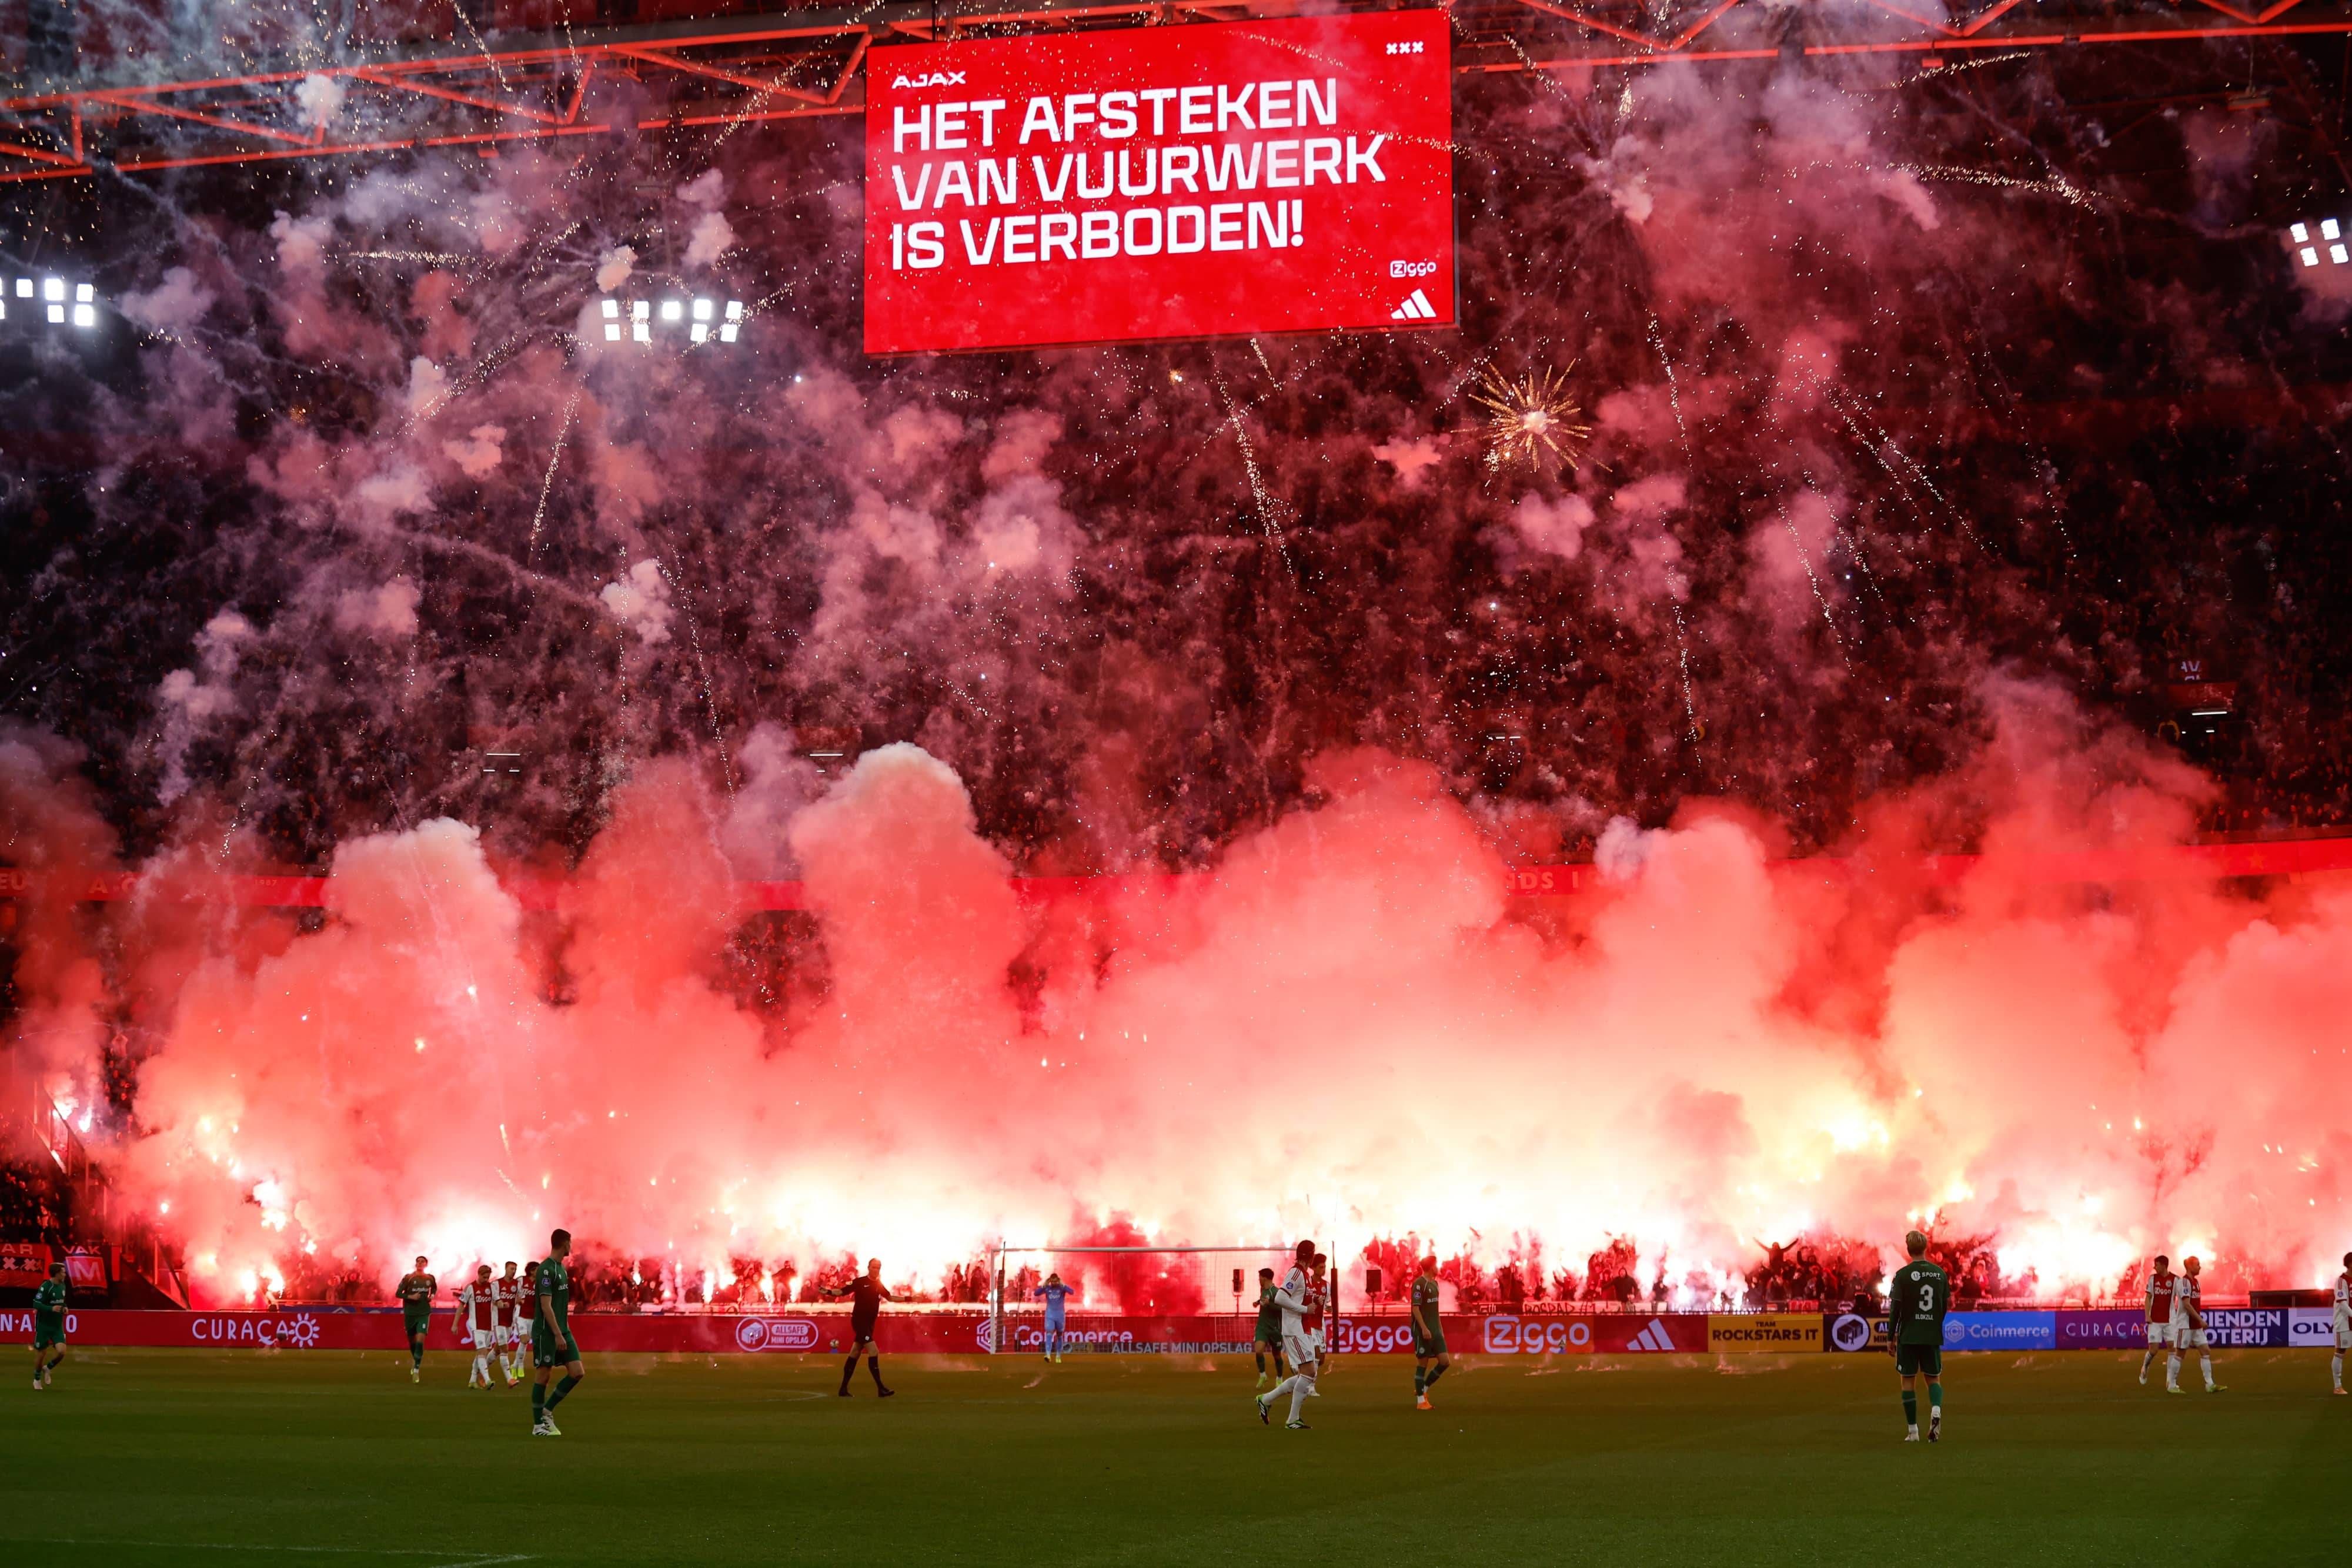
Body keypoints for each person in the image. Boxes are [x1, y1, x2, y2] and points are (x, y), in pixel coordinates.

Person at [1887, 1230, 1948, 1443]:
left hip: (1909, 1335)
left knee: (1908, 1382)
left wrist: (1890, 1337)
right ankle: (1936, 1409)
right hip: (1931, 1335)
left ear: (1908, 1249)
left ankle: (1913, 1431)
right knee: (1933, 1379)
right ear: (1926, 1247)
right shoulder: (1940, 1274)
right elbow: (1944, 1306)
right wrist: (1933, 1324)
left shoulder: (1902, 1275)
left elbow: (1895, 1309)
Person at [1254, 1239, 1319, 1430]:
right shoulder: (1297, 1272)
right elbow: (1281, 1297)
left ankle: (1266, 1400)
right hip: (1294, 1328)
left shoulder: (1304, 1274)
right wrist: (1304, 1309)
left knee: (1307, 1375)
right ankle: (1292, 1420)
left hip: (1302, 1328)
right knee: (1309, 1373)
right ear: (1311, 1255)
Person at [530, 1229, 587, 1436]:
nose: (572, 1247)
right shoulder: (546, 1270)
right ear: (564, 1243)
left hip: (563, 1330)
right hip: (548, 1332)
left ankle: (547, 1411)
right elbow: (546, 1306)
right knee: (543, 1376)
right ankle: (538, 1427)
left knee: (577, 1372)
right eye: (571, 1243)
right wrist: (557, 1334)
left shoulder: (561, 1268)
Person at [823, 1258, 895, 1398]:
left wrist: (910, 1298)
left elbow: (890, 1298)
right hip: (859, 1322)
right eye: (874, 1267)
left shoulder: (879, 1285)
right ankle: (881, 1388)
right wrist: (828, 1292)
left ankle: (843, 1389)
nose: (876, 1270)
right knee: (873, 1351)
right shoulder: (860, 1282)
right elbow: (843, 1291)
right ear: (868, 1267)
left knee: (855, 1353)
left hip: (869, 1324)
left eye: (879, 1268)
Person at [2169, 1255, 2223, 1394]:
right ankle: (2172, 1385)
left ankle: (2209, 1384)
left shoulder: (2196, 1282)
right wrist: (2200, 1320)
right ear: (2189, 1266)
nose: (2200, 1267)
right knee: (2180, 1354)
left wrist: (2198, 1321)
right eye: (2197, 1264)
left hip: (2195, 1326)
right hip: (2185, 1325)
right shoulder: (2184, 1282)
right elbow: (2187, 1305)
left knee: (2205, 1351)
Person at [1411, 1255, 1450, 1410]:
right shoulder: (1419, 1284)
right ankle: (1421, 1402)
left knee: (1445, 1362)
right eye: (1437, 1265)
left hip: (1436, 1330)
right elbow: (1416, 1308)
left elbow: (1435, 1311)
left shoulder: (1435, 1284)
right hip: (1423, 1331)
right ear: (1431, 1267)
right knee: (1423, 1364)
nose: (1438, 1267)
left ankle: (1424, 1389)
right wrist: (1424, 1328)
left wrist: (1439, 1329)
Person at [453, 1264, 499, 1389]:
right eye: (484, 1277)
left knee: (481, 1353)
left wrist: (505, 1305)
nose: (486, 1279)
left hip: (488, 1326)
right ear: (479, 1274)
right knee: (482, 1352)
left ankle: (473, 1380)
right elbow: (462, 1306)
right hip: (476, 1326)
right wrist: (455, 1324)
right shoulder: (470, 1288)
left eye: (488, 1277)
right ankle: (488, 1380)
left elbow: (497, 1302)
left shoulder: (492, 1287)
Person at [395, 1255, 436, 1383]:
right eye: (418, 1261)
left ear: (426, 1265)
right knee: (412, 1342)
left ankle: (417, 1369)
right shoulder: (409, 1278)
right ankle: (416, 1361)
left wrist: (432, 1295)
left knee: (420, 1339)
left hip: (424, 1312)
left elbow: (434, 1288)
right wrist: (411, 1297)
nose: (420, 1263)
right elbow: (398, 1293)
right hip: (410, 1313)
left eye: (422, 1262)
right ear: (416, 1264)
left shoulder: (430, 1278)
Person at [2138, 1254, 2177, 1387]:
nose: (2155, 1267)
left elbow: (2183, 1299)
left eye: (2157, 1265)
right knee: (2154, 1351)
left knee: (2172, 1348)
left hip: (2171, 1320)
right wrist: (2147, 1315)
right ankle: (2145, 1367)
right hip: (2155, 1321)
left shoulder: (2175, 1280)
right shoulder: (2152, 1279)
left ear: (2164, 1265)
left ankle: (2170, 1380)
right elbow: (2148, 1298)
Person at [31, 1259, 67, 1390]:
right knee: (41, 1354)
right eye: (63, 1272)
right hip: (44, 1326)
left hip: (57, 1326)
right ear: (56, 1274)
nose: (65, 1274)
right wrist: (51, 1309)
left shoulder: (63, 1285)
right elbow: (36, 1304)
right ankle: (36, 1379)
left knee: (62, 1352)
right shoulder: (46, 1286)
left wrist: (65, 1308)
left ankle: (48, 1368)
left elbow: (61, 1301)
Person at [1250, 1267, 1287, 1390]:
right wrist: (1257, 1302)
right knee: (1259, 1350)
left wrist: (1269, 1305)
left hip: (1275, 1329)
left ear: (1265, 1278)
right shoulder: (1263, 1289)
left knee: (1277, 1355)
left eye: (1260, 1277)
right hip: (1262, 1327)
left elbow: (1283, 1309)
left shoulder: (1277, 1293)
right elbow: (1263, 1299)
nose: (1259, 1279)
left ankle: (1279, 1379)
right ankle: (1263, 1375)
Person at [1032, 1271, 1076, 1363]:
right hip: (1050, 1315)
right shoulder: (1048, 1288)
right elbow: (1036, 1293)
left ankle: (1058, 1356)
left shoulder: (1061, 1288)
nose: (1054, 1283)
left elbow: (1072, 1292)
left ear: (1058, 1281)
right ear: (1050, 1281)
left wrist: (1063, 1285)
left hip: (1060, 1315)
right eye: (1052, 1282)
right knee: (1049, 1333)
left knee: (1060, 1335)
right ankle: (1048, 1355)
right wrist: (1044, 1286)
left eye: (1056, 1282)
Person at [493, 1261, 523, 1385]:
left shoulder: (517, 1284)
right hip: (498, 1321)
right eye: (512, 1269)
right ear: (506, 1269)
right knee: (505, 1350)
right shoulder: (496, 1284)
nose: (514, 1271)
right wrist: (500, 1304)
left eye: (515, 1269)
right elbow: (493, 1300)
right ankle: (509, 1379)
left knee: (497, 1350)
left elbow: (520, 1299)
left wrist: (520, 1302)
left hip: (509, 1322)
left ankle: (478, 1371)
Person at [2332, 1251, 2348, 1395]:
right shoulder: (2341, 1281)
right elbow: (2342, 1304)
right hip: (2344, 1323)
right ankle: (2338, 1386)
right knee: (2340, 1352)